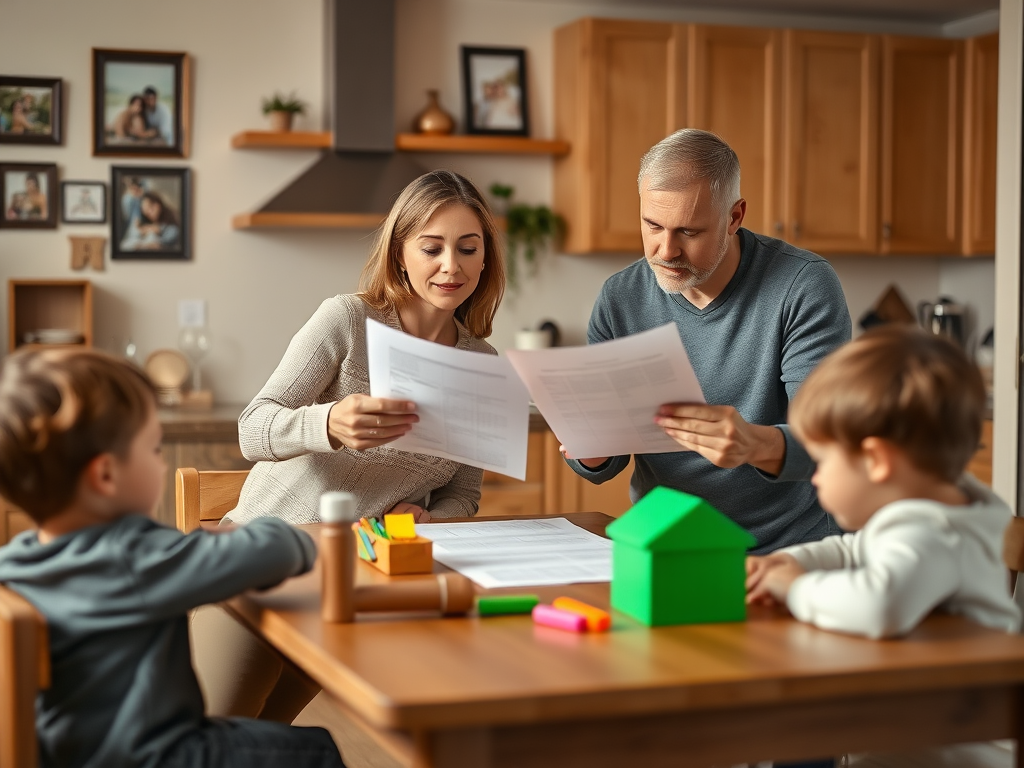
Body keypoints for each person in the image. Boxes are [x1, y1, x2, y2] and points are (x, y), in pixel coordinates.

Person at [191, 169, 506, 723]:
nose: (450, 266)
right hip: (261, 563)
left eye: (467, 248)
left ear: (485, 261)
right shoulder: (347, 321)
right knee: (213, 734)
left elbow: (465, 493)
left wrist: (431, 519)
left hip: (353, 583)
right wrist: (330, 422)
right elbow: (252, 428)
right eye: (431, 247)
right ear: (400, 254)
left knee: (262, 739)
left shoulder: (481, 364)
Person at [0, 347, 347, 768]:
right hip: (161, 754)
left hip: (74, 754)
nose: (162, 465)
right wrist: (276, 531)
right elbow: (275, 552)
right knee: (317, 751)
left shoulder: (15, 564)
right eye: (154, 450)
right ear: (106, 475)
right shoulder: (137, 554)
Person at [564, 128, 851, 555]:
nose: (666, 250)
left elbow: (835, 443)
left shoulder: (802, 286)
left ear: (735, 217)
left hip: (785, 552)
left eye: (690, 232)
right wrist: (590, 451)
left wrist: (754, 443)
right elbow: (607, 462)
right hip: (664, 545)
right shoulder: (620, 298)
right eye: (652, 225)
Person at [745, 326, 1020, 637]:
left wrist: (796, 588)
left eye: (822, 461)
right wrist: (783, 562)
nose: (816, 476)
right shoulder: (922, 516)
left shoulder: (935, 536)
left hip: (968, 685)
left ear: (876, 461)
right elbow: (851, 551)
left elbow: (878, 607)